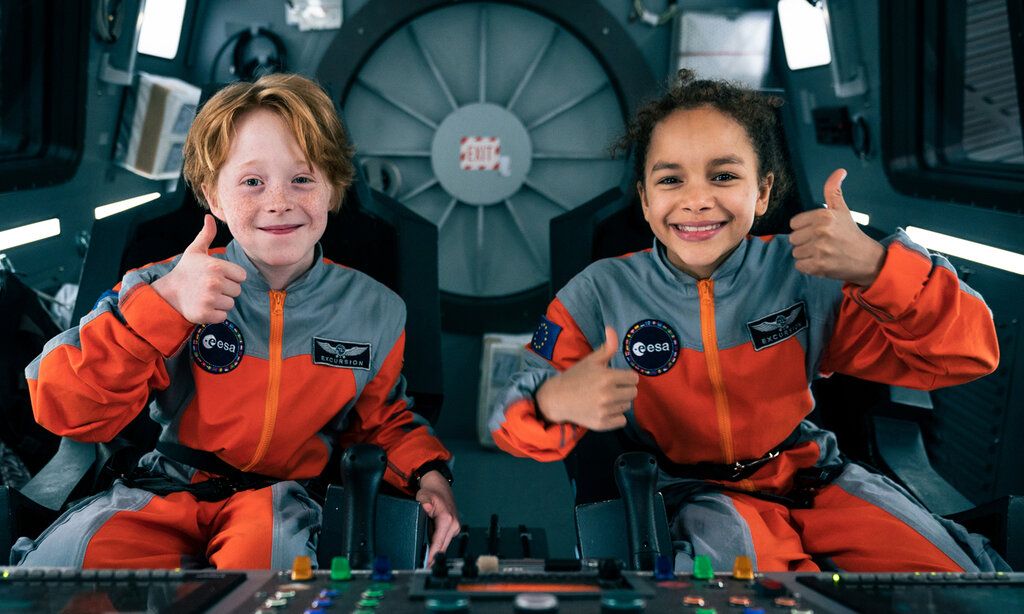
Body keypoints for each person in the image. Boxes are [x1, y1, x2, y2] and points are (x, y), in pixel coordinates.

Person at [489, 70, 1005, 572]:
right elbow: (509, 415)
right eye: (670, 179)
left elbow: (967, 353)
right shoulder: (597, 293)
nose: (696, 199)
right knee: (752, 592)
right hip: (698, 496)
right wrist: (552, 401)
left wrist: (877, 268)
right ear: (645, 201)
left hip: (814, 476)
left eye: (724, 176)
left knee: (953, 579)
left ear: (762, 192)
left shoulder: (811, 273)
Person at [14, 73, 459, 569]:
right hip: (162, 490)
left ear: (333, 188)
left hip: (279, 503)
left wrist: (428, 473)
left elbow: (380, 424)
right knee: (59, 575)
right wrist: (163, 307)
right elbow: (68, 412)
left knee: (261, 585)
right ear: (214, 196)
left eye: (303, 179)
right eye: (252, 181)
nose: (279, 201)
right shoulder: (160, 285)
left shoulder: (375, 309)